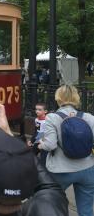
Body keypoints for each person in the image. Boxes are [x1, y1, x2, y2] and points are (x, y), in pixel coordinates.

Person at [38, 85, 94, 216]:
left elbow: (50, 145)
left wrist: (41, 145)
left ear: (58, 98)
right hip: (87, 169)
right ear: (76, 98)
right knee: (86, 210)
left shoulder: (52, 117)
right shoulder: (89, 117)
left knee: (55, 205)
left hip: (61, 170)